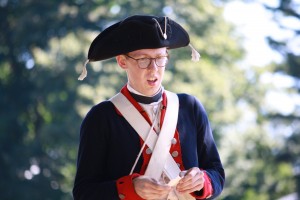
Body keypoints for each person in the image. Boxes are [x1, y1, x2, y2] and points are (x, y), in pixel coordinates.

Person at [73, 15, 225, 200]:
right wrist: (131, 188)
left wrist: (201, 180)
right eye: (143, 59)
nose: (154, 69)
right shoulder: (101, 117)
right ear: (122, 61)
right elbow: (84, 192)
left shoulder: (190, 107)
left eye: (160, 58)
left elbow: (216, 174)